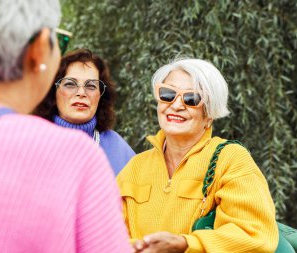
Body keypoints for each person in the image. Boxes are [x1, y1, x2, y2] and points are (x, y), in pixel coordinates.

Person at [0, 1, 130, 252]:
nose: (81, 93)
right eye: (59, 41)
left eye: (91, 86)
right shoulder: (79, 156)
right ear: (39, 49)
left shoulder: (116, 148)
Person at [117, 58, 279, 252]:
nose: (176, 106)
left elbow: (255, 235)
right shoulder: (136, 166)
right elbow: (104, 234)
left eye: (191, 99)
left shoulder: (230, 159)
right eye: (168, 94)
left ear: (209, 113)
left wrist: (186, 244)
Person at [34, 49, 135, 175]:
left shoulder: (119, 150)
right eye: (70, 84)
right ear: (53, 93)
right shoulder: (33, 143)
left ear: (101, 96)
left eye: (91, 86)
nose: (81, 93)